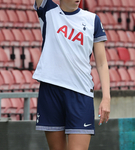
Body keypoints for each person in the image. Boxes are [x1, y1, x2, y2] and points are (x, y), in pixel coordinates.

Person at [32, 0, 111, 150]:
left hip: (80, 94)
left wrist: (106, 98)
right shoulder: (48, 11)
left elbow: (101, 63)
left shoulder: (92, 19)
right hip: (51, 91)